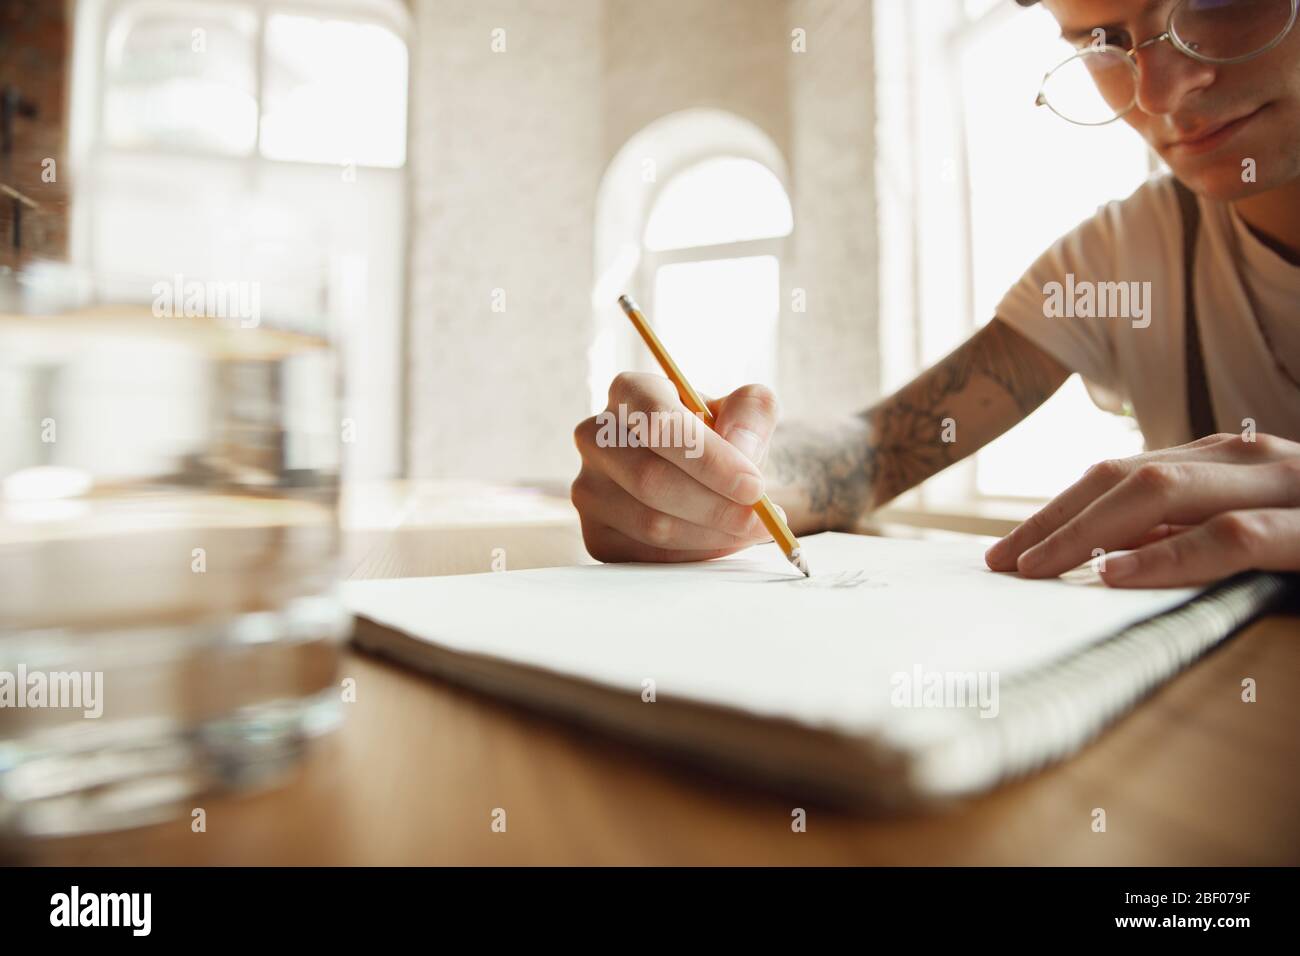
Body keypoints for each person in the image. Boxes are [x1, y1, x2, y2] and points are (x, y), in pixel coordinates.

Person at [571, 0, 1300, 588]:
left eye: (1218, 1)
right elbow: (877, 451)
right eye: (1105, 39)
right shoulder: (1121, 260)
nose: (1161, 92)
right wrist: (716, 475)